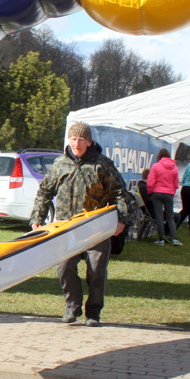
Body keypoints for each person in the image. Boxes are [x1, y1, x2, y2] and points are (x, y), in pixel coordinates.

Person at [29, 122, 133, 328]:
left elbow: (120, 192)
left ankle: (93, 313)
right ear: (69, 140)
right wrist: (37, 219)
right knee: (65, 268)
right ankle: (72, 308)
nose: (77, 143)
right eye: (74, 139)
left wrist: (122, 219)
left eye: (82, 139)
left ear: (89, 141)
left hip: (96, 227)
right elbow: (44, 193)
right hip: (66, 229)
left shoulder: (102, 164)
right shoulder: (59, 164)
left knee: (96, 272)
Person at [147, 148, 181, 246]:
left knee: (159, 217)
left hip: (157, 193)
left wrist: (150, 192)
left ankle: (161, 239)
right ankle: (174, 238)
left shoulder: (156, 166)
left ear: (159, 156)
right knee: (170, 217)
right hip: (169, 193)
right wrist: (172, 193)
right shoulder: (174, 168)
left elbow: (150, 181)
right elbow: (176, 184)